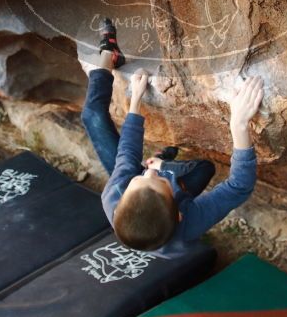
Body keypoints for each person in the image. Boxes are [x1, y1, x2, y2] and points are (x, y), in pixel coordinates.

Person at [80, 18, 263, 256]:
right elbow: (239, 187)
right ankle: (165, 162)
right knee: (204, 168)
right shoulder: (189, 222)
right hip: (161, 196)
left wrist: (135, 99)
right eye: (160, 180)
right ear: (178, 211)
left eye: (139, 178)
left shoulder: (114, 195)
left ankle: (109, 54)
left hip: (143, 189)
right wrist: (238, 124)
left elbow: (128, 155)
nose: (148, 171)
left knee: (92, 115)